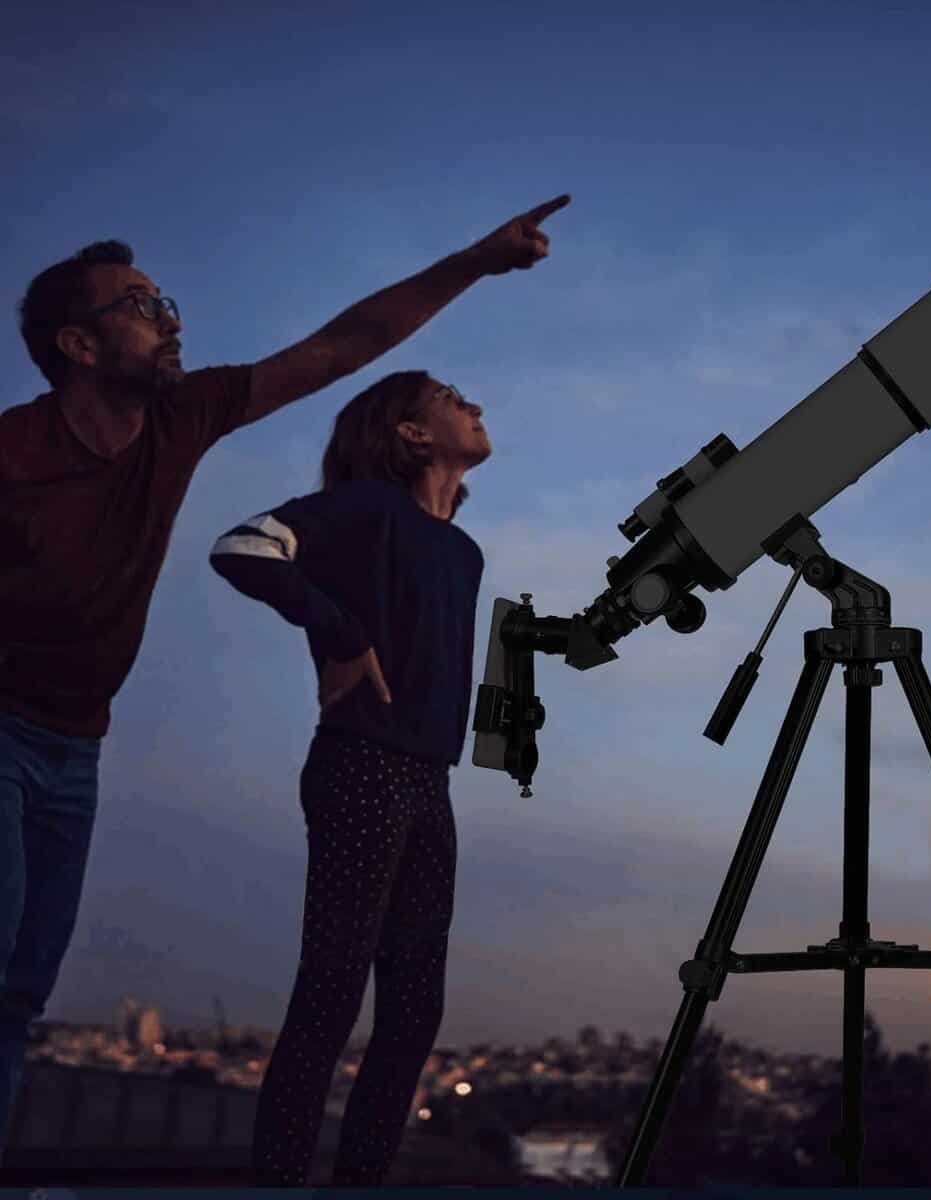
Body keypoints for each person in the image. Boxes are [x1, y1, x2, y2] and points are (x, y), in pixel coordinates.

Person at [0, 193, 571, 1159]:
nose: (170, 317)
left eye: (165, 298)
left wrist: (472, 262)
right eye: (141, 305)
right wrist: (339, 630)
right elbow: (253, 548)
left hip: (78, 744)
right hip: (9, 730)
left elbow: (341, 347)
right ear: (80, 347)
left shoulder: (183, 418)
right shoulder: (13, 454)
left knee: (19, 996)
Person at [208, 368, 493, 1186]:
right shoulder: (369, 508)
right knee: (332, 991)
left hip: (429, 784)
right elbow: (243, 546)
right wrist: (336, 629)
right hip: (360, 765)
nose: (472, 405)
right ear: (409, 432)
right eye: (450, 396)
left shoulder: (465, 554)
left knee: (412, 1013)